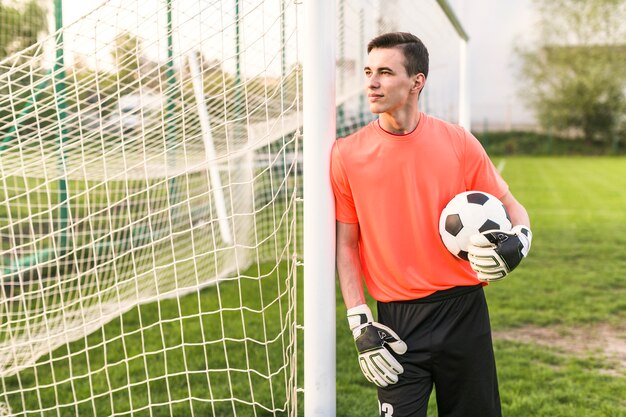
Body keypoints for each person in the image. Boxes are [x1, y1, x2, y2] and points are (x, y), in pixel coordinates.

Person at [330, 32, 532, 417]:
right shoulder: (346, 154)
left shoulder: (458, 142)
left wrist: (520, 239)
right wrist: (359, 322)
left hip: (464, 312)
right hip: (397, 324)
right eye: (369, 71)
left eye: (385, 72)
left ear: (416, 82)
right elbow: (346, 244)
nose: (371, 82)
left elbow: (513, 207)